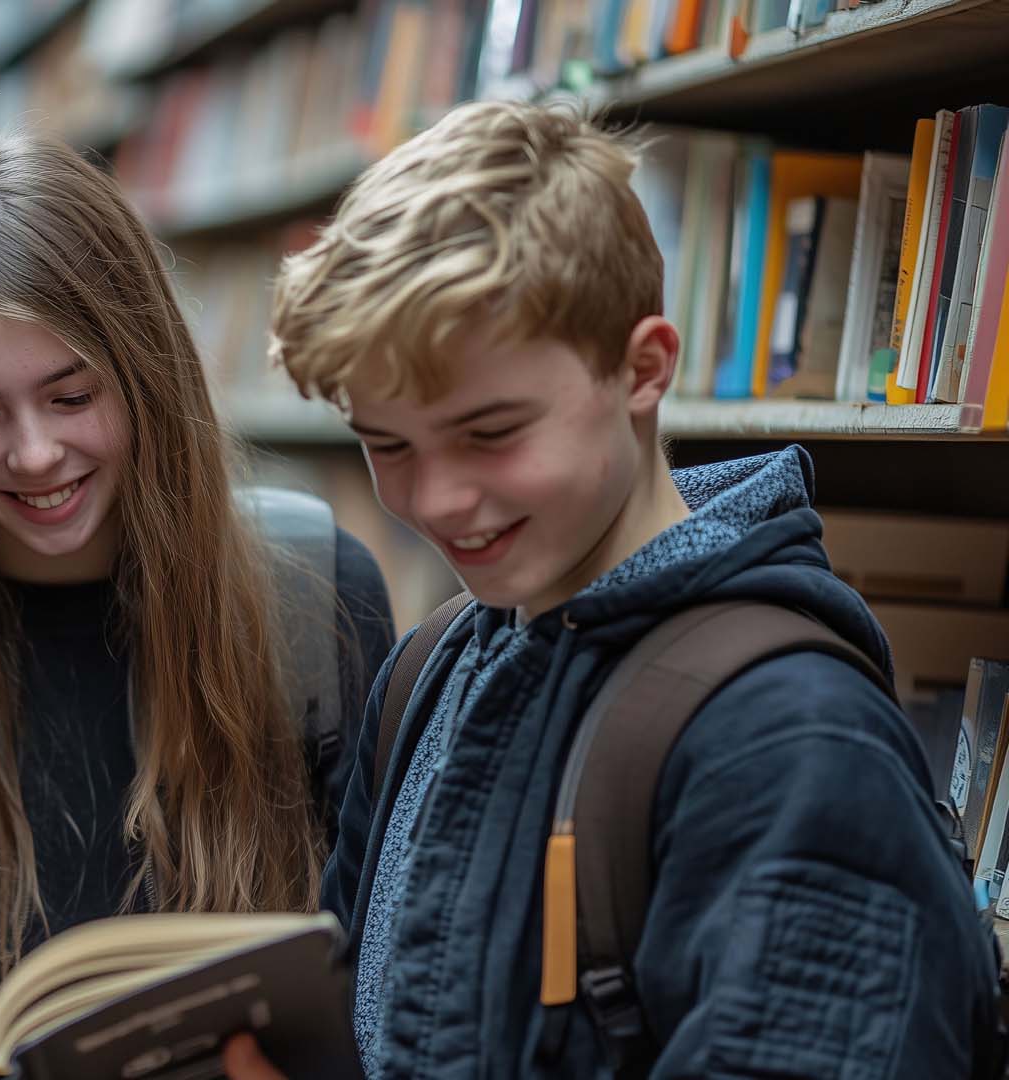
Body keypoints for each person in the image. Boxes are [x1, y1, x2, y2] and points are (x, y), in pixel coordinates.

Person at [224, 99, 1000, 1078]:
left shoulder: (790, 742)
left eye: (491, 433)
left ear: (643, 369)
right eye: (388, 445)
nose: (437, 498)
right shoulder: (428, 669)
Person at [0, 132, 394, 1051]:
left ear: (146, 373)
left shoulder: (312, 597)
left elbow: (386, 958)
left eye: (72, 396)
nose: (36, 453)